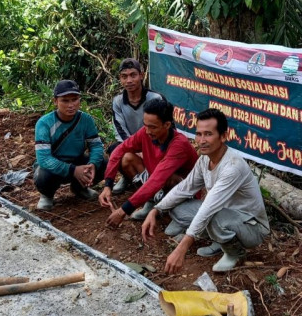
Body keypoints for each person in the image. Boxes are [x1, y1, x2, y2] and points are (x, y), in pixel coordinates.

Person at [141, 108, 270, 273]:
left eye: (208, 134)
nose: (201, 140)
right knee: (176, 205)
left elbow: (209, 207)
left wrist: (183, 247)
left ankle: (234, 253)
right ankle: (218, 239)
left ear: (223, 136)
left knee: (213, 214)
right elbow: (184, 187)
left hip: (251, 228)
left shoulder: (233, 166)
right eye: (199, 134)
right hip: (225, 215)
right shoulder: (204, 159)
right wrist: (156, 210)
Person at [99, 98, 197, 225]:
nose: (147, 131)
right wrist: (108, 185)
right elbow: (119, 150)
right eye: (145, 125)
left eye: (152, 127)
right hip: (157, 179)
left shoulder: (179, 145)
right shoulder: (145, 133)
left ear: (167, 125)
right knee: (127, 158)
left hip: (183, 190)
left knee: (169, 177)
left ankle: (178, 214)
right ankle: (151, 201)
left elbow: (158, 179)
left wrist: (123, 210)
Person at [34, 80, 105, 211]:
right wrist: (73, 170)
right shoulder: (44, 123)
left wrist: (93, 164)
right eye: (65, 101)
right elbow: (44, 159)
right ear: (55, 101)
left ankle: (80, 188)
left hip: (77, 161)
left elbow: (96, 146)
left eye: (74, 99)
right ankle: (47, 195)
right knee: (43, 175)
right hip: (55, 163)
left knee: (104, 162)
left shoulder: (86, 120)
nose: (71, 105)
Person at [109, 58, 163, 194]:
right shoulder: (118, 101)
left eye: (133, 75)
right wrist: (135, 149)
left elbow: (166, 128)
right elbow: (120, 130)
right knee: (114, 149)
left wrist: (147, 149)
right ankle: (128, 177)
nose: (129, 80)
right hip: (132, 144)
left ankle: (153, 186)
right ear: (120, 79)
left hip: (153, 143)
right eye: (124, 76)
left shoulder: (155, 98)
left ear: (141, 75)